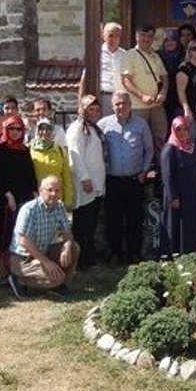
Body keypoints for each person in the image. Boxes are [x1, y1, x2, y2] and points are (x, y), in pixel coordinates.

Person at [99, 91, 154, 265]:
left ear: (130, 105)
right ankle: (115, 253)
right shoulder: (103, 124)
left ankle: (134, 253)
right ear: (112, 106)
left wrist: (144, 171)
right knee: (113, 219)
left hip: (134, 180)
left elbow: (149, 150)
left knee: (135, 219)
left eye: (124, 103)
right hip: (112, 180)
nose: (121, 107)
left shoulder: (141, 125)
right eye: (117, 104)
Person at [7, 175, 79, 298]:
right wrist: (46, 262)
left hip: (43, 251)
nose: (53, 194)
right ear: (41, 190)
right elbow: (24, 241)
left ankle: (59, 284)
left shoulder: (59, 206)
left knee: (74, 248)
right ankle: (18, 280)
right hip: (23, 259)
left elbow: (67, 231)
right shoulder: (29, 209)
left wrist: (67, 248)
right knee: (56, 278)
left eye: (57, 190)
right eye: (49, 190)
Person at [0, 114, 38, 282]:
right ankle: (4, 274)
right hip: (6, 201)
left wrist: (34, 192)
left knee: (21, 234)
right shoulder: (0, 151)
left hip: (24, 199)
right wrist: (7, 195)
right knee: (6, 234)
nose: (15, 132)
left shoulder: (25, 150)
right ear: (6, 130)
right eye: (11, 129)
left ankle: (19, 272)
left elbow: (30, 174)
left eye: (19, 129)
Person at [66, 95, 107, 268]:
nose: (94, 112)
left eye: (97, 109)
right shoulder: (76, 129)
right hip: (85, 184)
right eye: (90, 109)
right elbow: (74, 155)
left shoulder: (93, 128)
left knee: (90, 223)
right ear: (83, 110)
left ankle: (88, 258)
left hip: (96, 183)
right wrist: (84, 178)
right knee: (83, 223)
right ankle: (82, 260)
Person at [119, 25, 170, 156]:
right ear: (136, 36)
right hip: (138, 106)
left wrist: (163, 92)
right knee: (137, 140)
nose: (146, 39)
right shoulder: (129, 55)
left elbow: (165, 76)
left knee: (160, 138)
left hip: (157, 106)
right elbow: (126, 81)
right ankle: (140, 168)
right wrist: (141, 96)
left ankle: (160, 167)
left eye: (150, 36)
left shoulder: (156, 56)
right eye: (143, 35)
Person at [159, 115, 196, 257]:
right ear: (173, 131)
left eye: (185, 129)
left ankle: (190, 255)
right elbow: (167, 175)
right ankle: (173, 256)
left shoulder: (192, 148)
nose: (183, 132)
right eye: (179, 129)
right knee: (175, 226)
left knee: (190, 225)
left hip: (191, 195)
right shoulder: (169, 149)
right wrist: (173, 197)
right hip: (176, 196)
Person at [30, 119, 74, 209]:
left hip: (57, 198)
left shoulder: (60, 150)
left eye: (48, 129)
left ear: (53, 131)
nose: (44, 132)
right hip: (37, 198)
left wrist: (68, 200)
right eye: (41, 129)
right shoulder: (30, 149)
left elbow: (66, 176)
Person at [96, 22, 126, 109]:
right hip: (102, 96)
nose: (113, 39)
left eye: (117, 36)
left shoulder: (125, 54)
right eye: (110, 35)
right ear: (103, 36)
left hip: (120, 98)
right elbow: (85, 77)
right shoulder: (97, 53)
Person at [159, 29, 185, 121]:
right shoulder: (157, 56)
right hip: (162, 98)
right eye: (166, 40)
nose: (169, 43)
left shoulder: (184, 55)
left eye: (173, 40)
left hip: (179, 98)